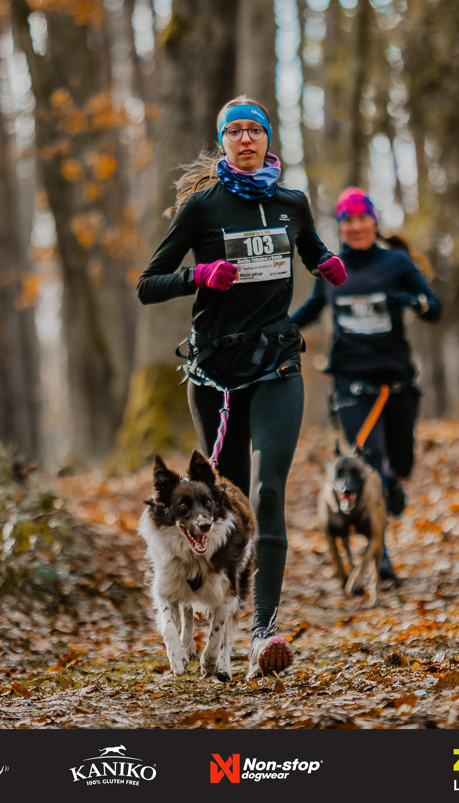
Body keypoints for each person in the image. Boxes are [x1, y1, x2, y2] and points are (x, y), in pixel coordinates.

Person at [137, 96, 346, 679]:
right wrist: (198, 275)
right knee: (225, 501)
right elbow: (148, 284)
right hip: (215, 376)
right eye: (236, 131)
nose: (247, 139)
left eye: (256, 130)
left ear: (268, 139)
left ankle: (263, 632)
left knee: (268, 491)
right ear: (223, 142)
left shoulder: (291, 203)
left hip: (277, 364)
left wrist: (326, 263)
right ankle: (217, 611)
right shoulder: (203, 207)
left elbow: (311, 250)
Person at [291, 187, 441, 582]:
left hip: (396, 382)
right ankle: (381, 553)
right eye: (348, 220)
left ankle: (394, 484)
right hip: (351, 383)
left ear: (374, 222)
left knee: (399, 464)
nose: (356, 227)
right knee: (370, 465)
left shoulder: (396, 262)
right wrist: (277, 328)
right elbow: (311, 309)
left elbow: (433, 308)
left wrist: (411, 301)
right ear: (341, 226)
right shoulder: (331, 267)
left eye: (362, 219)